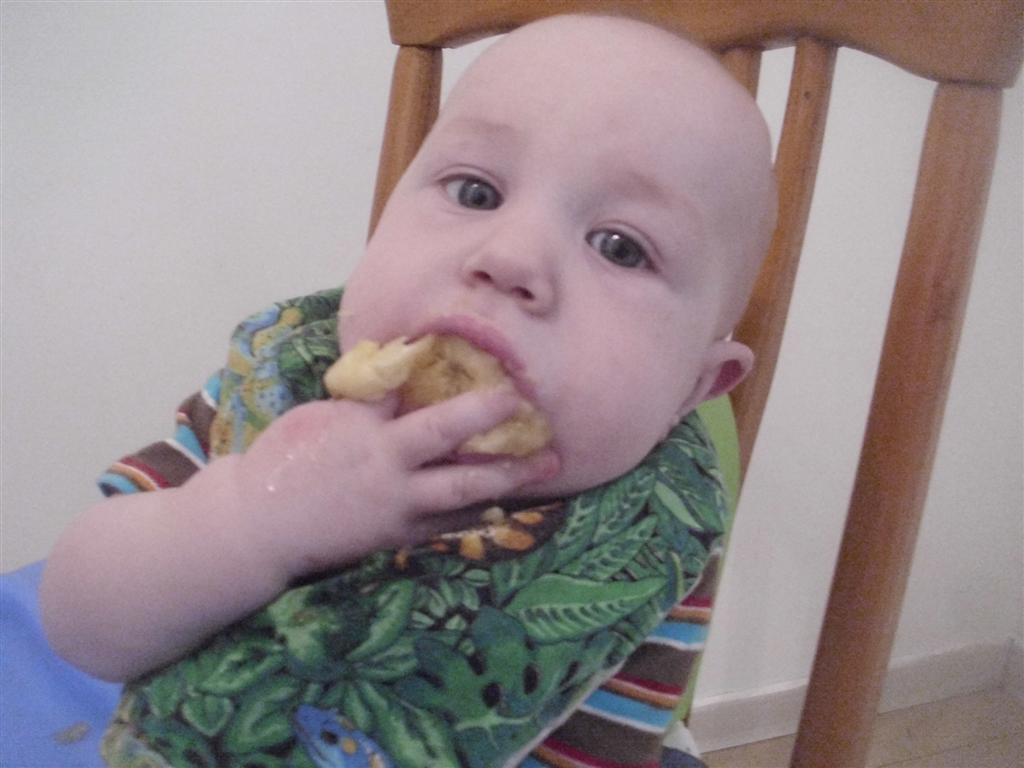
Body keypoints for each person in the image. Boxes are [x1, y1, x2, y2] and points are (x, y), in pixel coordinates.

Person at [40, 13, 776, 768]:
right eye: (477, 192)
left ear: (692, 388)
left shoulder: (647, 535)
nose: (511, 256)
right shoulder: (281, 391)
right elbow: (79, 624)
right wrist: (248, 518)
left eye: (620, 247)